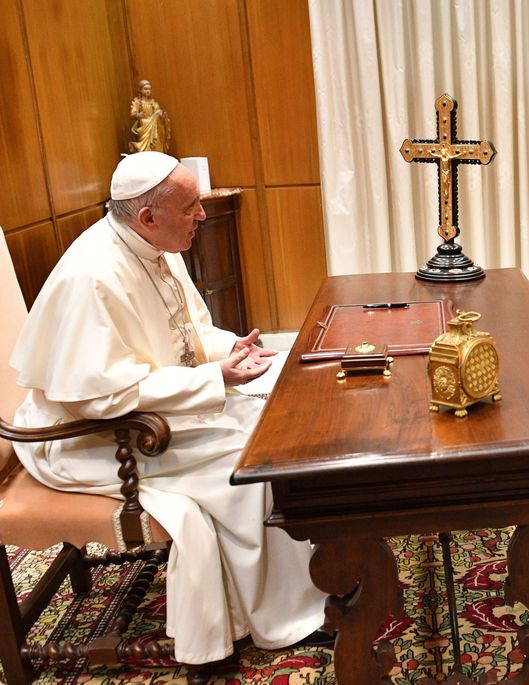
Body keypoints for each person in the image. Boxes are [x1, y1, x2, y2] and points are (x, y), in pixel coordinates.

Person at [9, 152, 330, 664]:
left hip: (146, 416)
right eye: (191, 207)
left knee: (275, 427)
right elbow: (99, 396)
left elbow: (189, 333)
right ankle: (284, 617)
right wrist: (212, 380)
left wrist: (232, 350)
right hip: (86, 438)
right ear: (148, 217)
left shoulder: (158, 246)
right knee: (248, 463)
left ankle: (312, 582)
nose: (202, 215)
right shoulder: (91, 276)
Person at [130, 79, 171, 153]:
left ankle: (157, 148)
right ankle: (145, 148)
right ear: (140, 90)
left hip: (154, 124)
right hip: (145, 124)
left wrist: (162, 115)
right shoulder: (138, 102)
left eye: (149, 89)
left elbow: (158, 112)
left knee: (158, 116)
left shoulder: (153, 103)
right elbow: (133, 114)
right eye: (145, 89)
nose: (148, 91)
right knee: (151, 118)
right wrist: (139, 115)